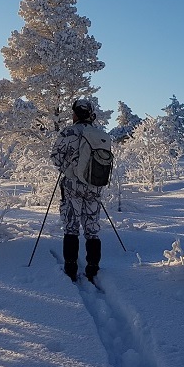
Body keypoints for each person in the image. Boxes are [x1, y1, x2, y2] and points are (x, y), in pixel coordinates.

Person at [50, 98, 105, 282]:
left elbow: (56, 158)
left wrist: (68, 168)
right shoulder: (98, 133)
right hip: (94, 186)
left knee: (71, 228)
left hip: (72, 186)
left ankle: (71, 267)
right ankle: (93, 268)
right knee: (92, 228)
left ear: (76, 113)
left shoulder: (68, 132)